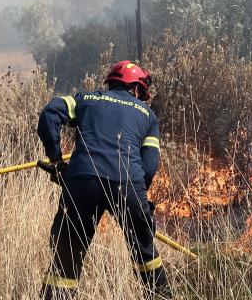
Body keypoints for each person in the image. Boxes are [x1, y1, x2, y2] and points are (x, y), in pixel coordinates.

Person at [37, 60, 171, 299]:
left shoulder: (85, 99)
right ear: (137, 88)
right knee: (145, 253)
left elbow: (49, 113)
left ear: (111, 83)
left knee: (67, 254)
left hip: (81, 181)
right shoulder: (147, 115)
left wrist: (57, 161)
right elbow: (149, 165)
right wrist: (137, 196)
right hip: (127, 183)